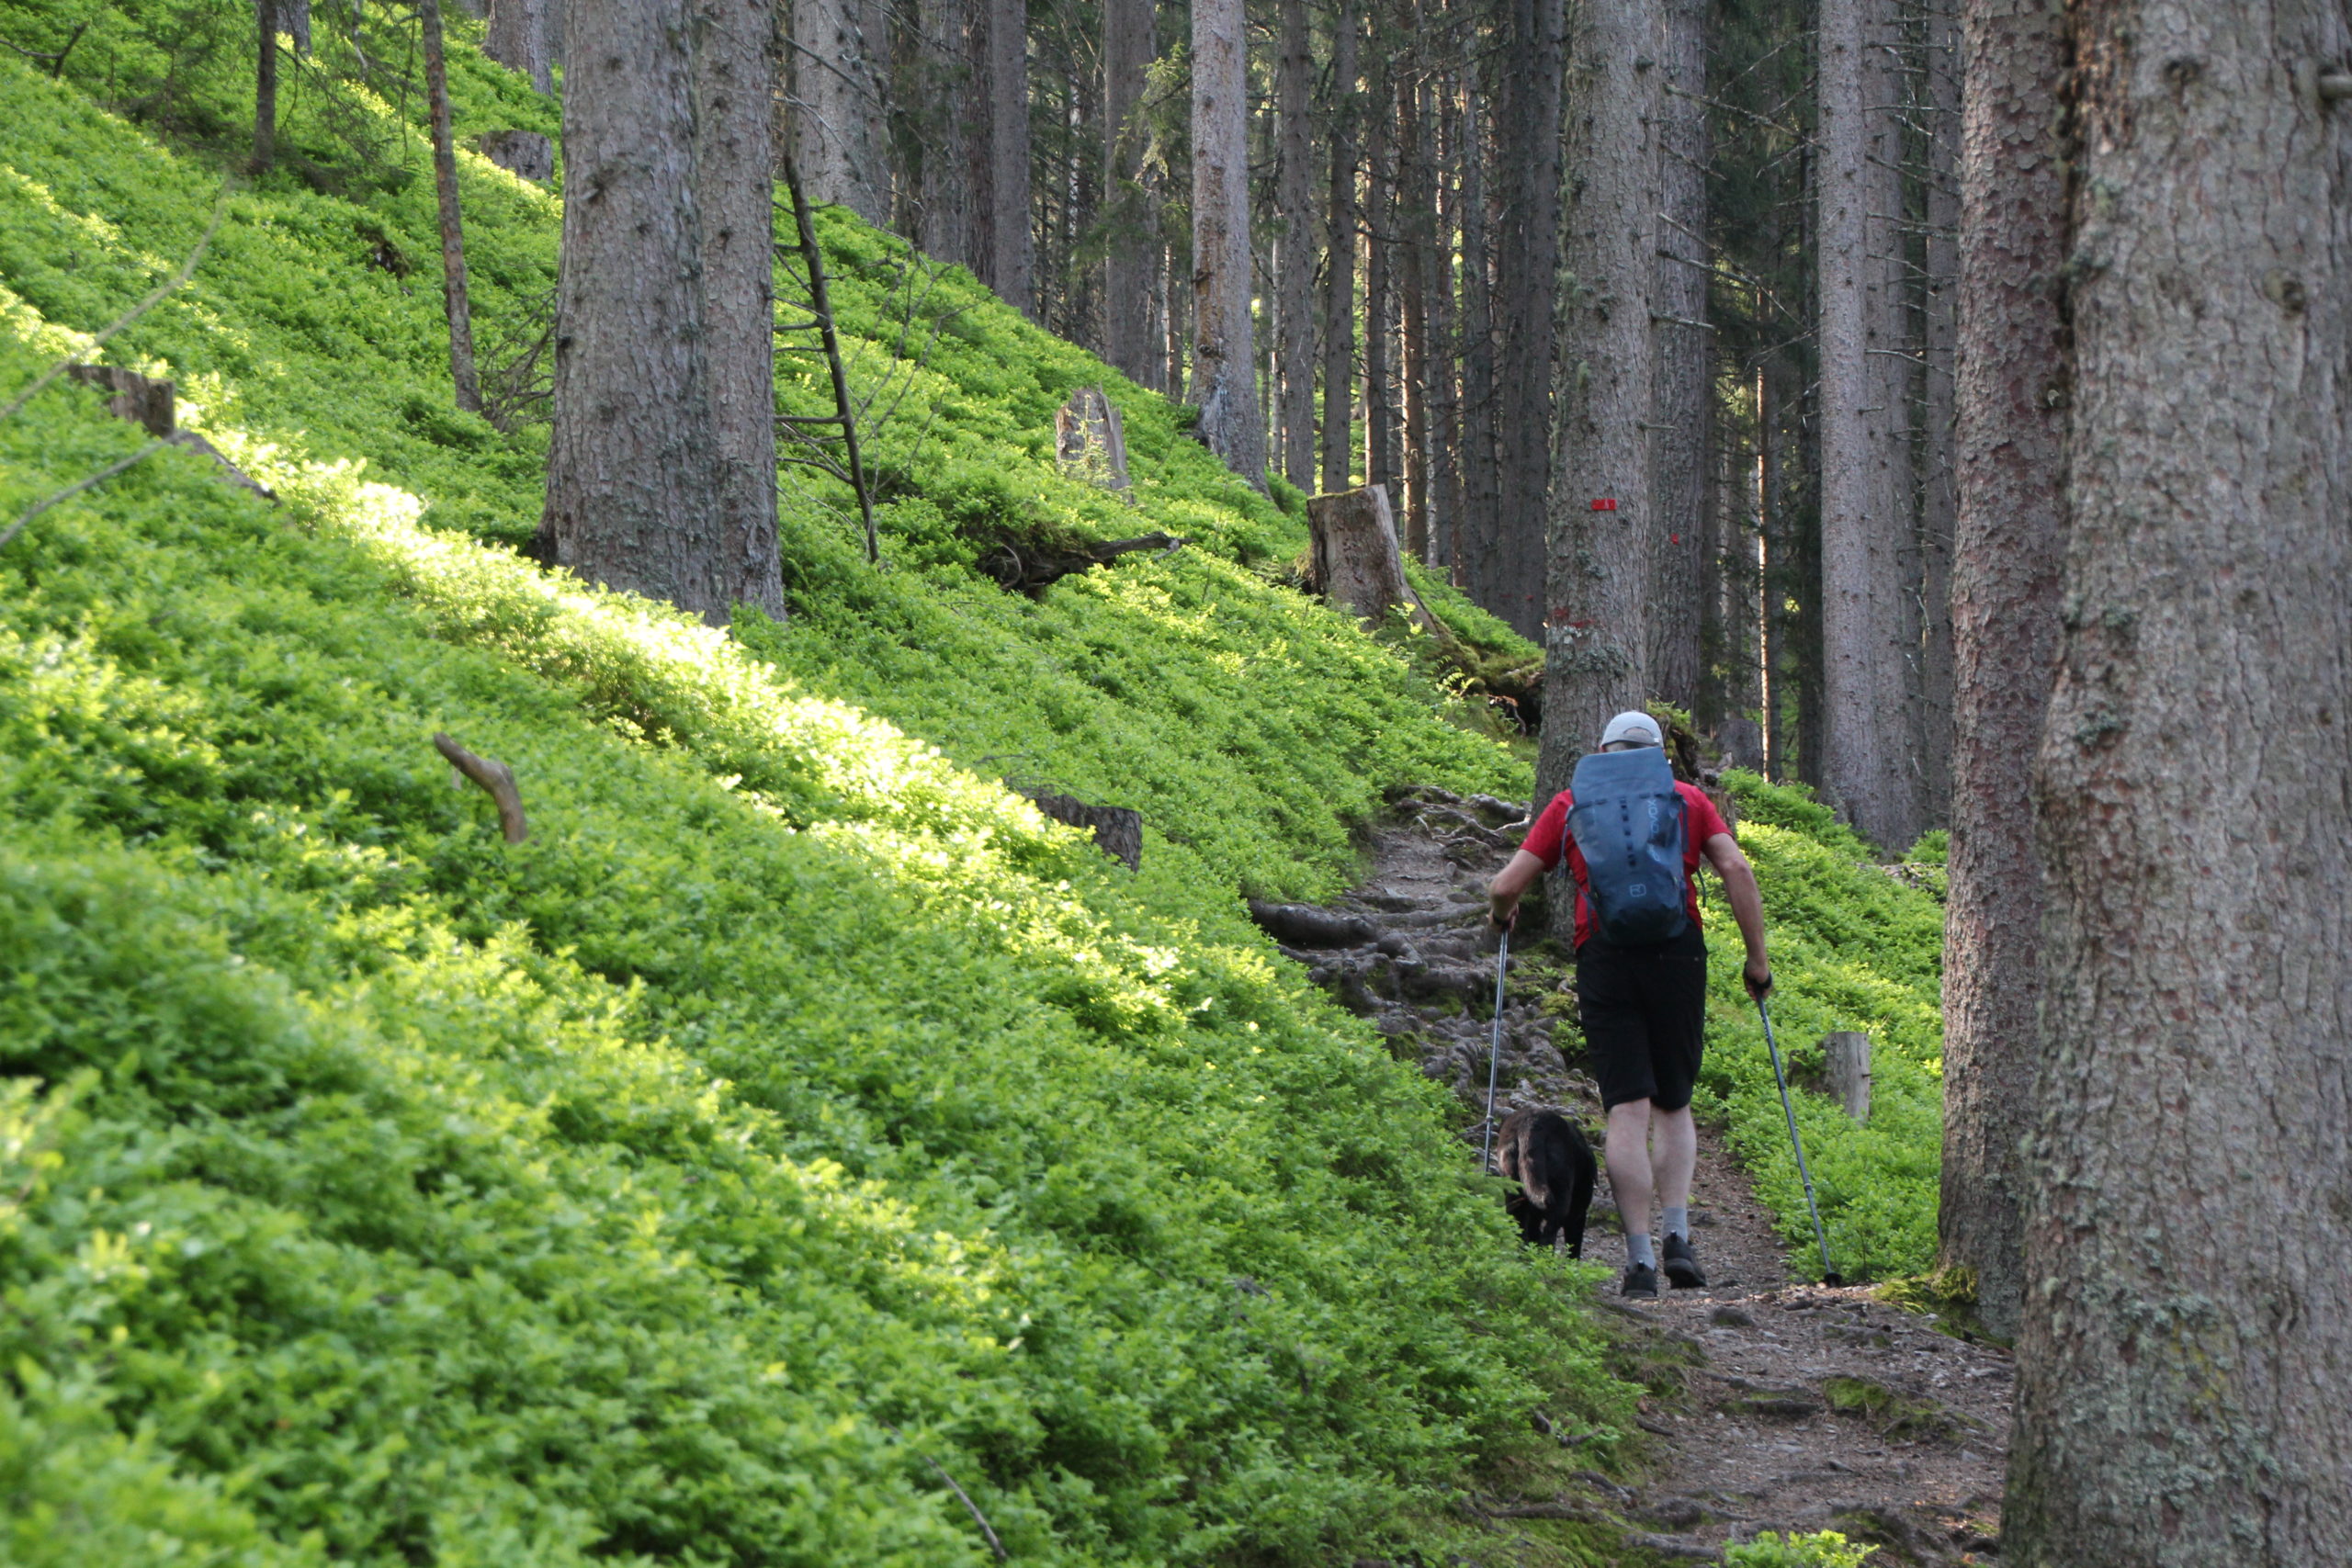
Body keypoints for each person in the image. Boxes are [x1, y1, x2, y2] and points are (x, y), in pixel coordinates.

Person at [1486, 710, 1772, 1298]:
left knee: (1626, 1109)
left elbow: (1504, 885)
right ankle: (1678, 1237)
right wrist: (1757, 960)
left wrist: (1501, 916)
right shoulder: (1687, 798)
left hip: (1606, 959)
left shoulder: (1570, 804)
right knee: (1673, 1103)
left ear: (1602, 750)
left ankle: (1639, 1261)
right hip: (1678, 957)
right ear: (1657, 754)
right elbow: (1736, 867)